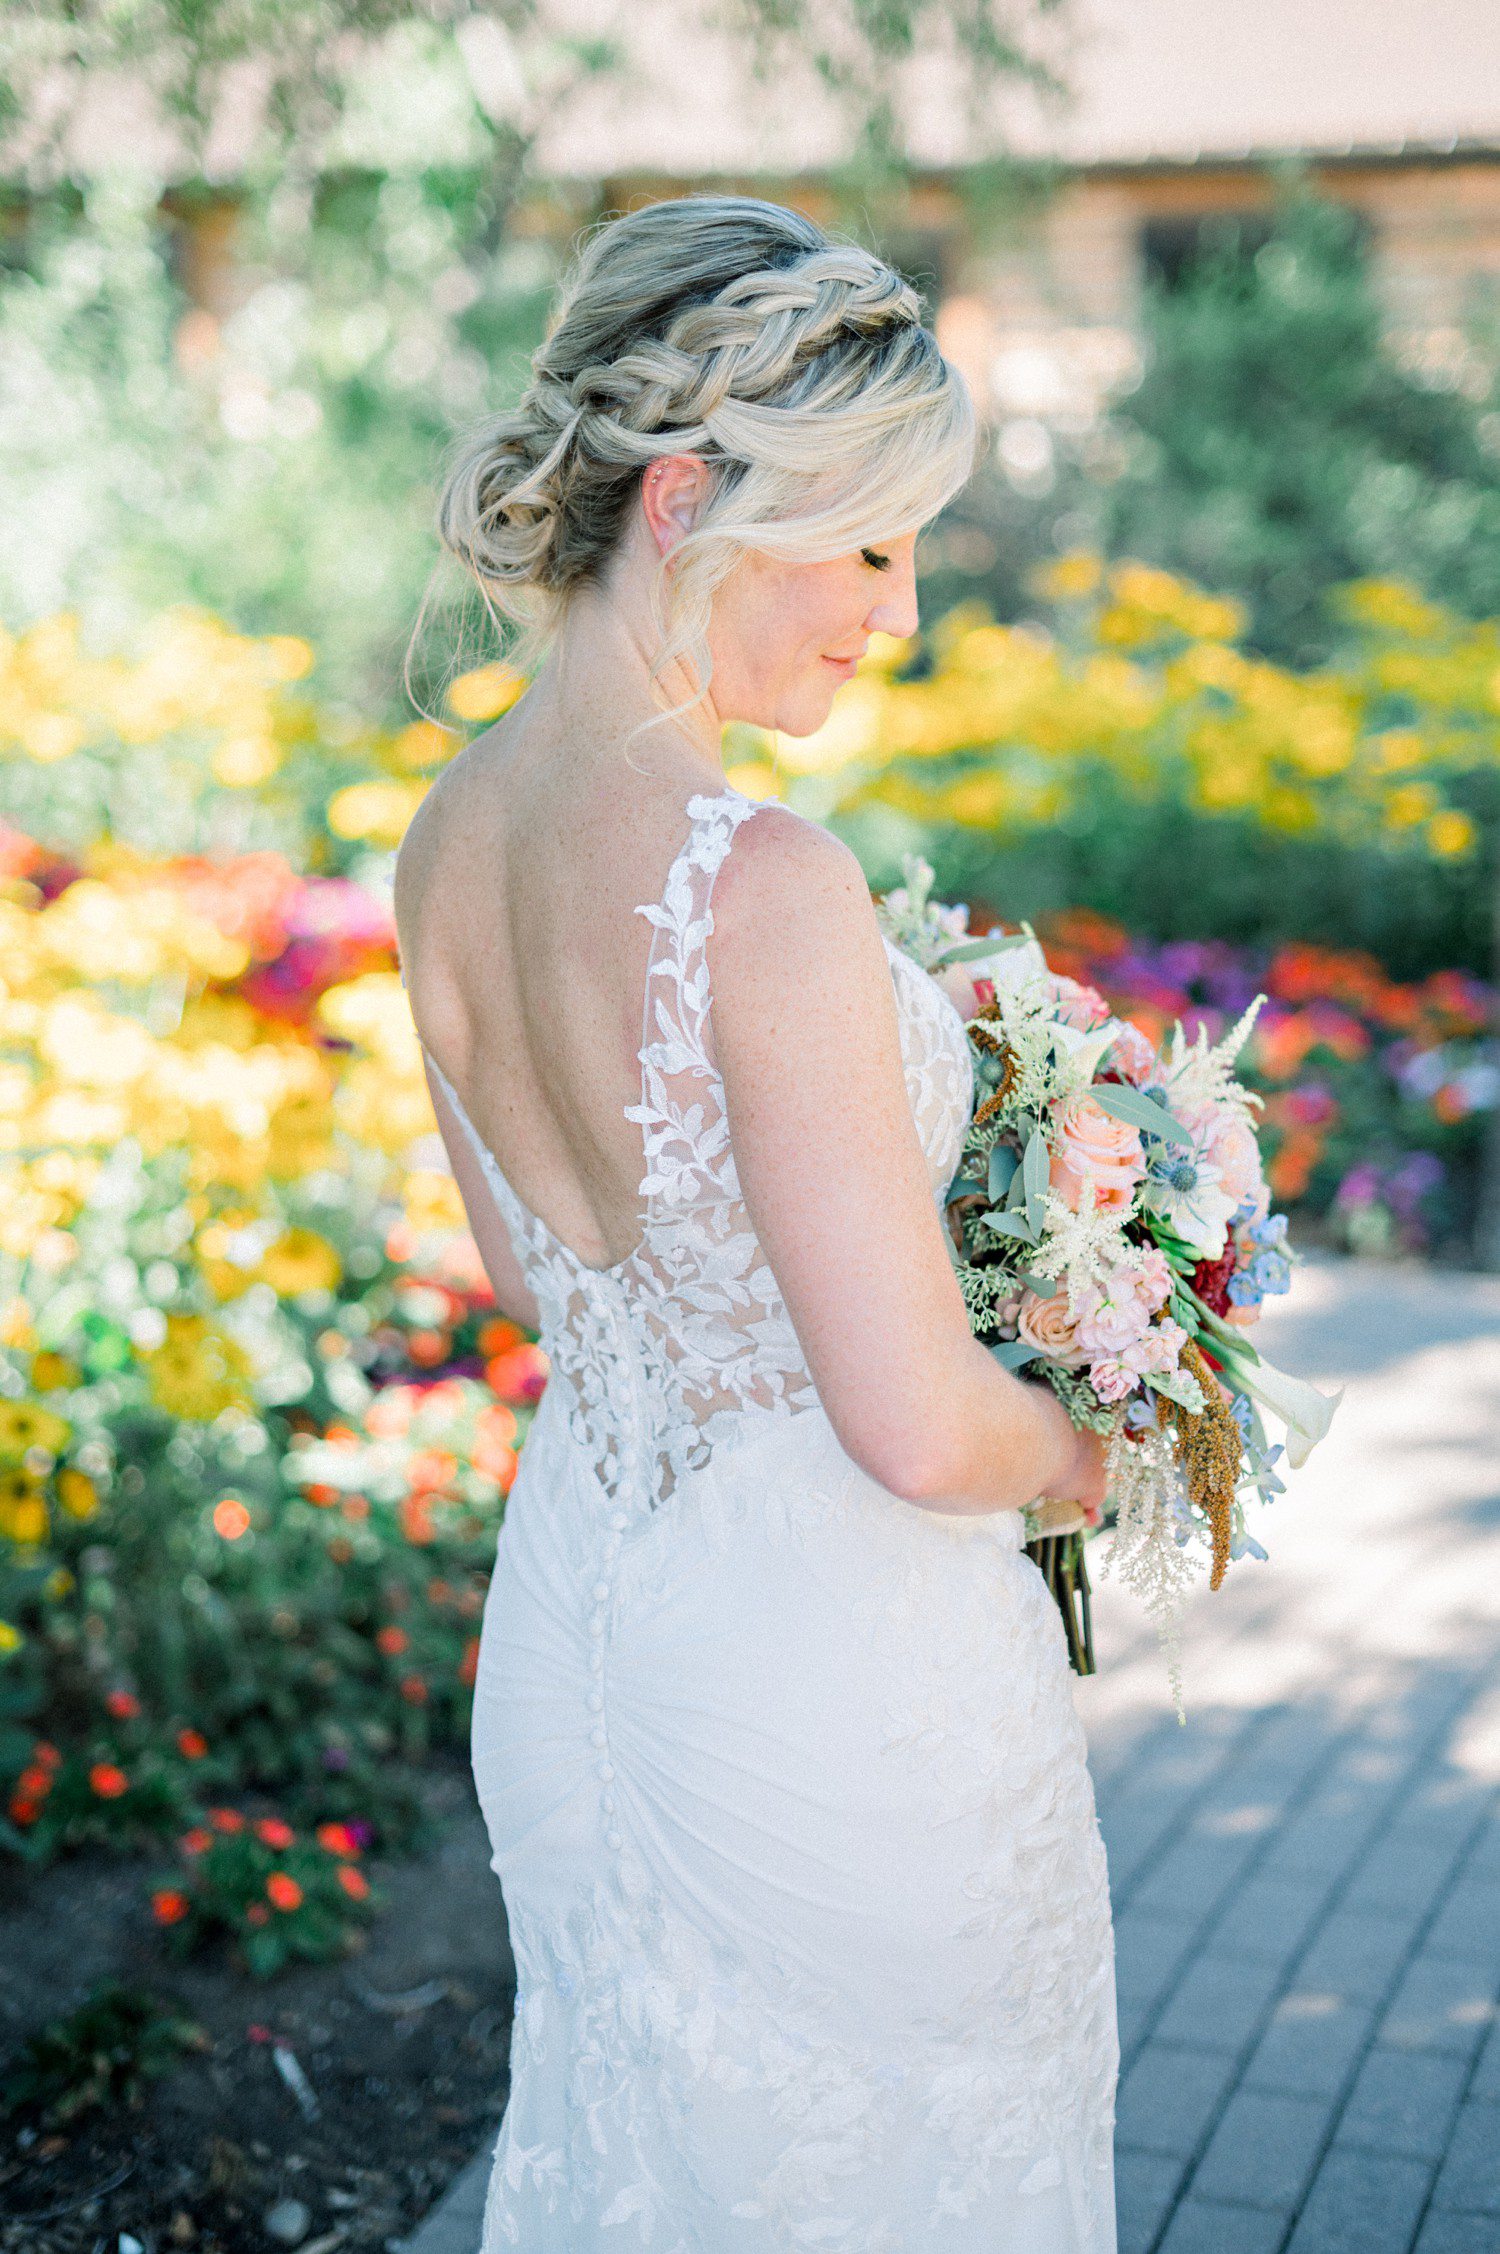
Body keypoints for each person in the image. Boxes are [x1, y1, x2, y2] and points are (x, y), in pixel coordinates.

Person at [394, 193, 1118, 2254]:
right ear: (692, 495)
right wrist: (1095, 1441)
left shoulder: (444, 841)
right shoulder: (761, 882)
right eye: (870, 544)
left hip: (573, 1642)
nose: (894, 612)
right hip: (821, 1684)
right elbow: (909, 1426)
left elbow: (554, 1280)